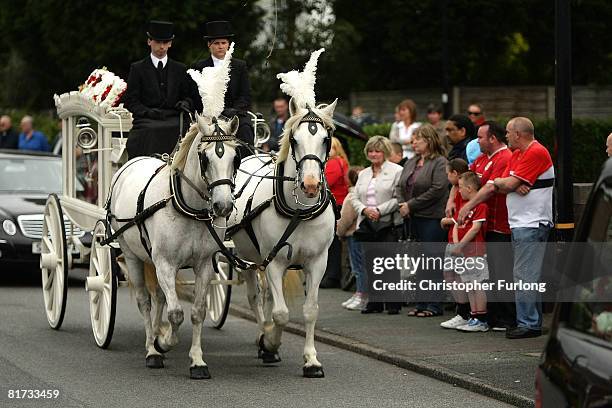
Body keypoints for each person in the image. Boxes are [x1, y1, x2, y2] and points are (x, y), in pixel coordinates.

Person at [492, 117, 554, 339]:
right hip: (521, 222)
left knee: (524, 275)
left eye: (508, 132)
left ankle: (528, 323)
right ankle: (532, 321)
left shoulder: (535, 152)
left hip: (531, 222)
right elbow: (503, 183)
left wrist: (508, 184)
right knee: (526, 274)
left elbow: (504, 184)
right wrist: (507, 184)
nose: (506, 136)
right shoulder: (517, 154)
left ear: (518, 134)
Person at [455, 121, 515, 331]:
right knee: (486, 275)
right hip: (484, 226)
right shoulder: (481, 159)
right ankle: (489, 316)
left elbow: (489, 188)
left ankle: (507, 319)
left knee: (501, 273)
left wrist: (469, 205)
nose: (476, 141)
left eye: (480, 137)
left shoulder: (505, 157)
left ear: (493, 138)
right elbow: (464, 181)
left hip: (500, 225)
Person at [396, 124, 449, 317]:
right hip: (413, 218)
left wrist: (411, 205)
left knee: (432, 262)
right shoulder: (411, 161)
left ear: (429, 140)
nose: (413, 142)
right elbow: (400, 185)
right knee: (418, 262)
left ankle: (434, 305)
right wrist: (403, 205)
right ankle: (421, 302)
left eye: (417, 139)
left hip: (432, 218)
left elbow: (437, 189)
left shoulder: (440, 162)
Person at [124, 20, 196, 158]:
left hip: (174, 117)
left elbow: (189, 96)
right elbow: (131, 100)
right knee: (150, 131)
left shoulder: (180, 69)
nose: (161, 46)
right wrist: (147, 112)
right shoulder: (137, 68)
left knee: (186, 130)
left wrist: (185, 103)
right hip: (147, 119)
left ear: (170, 43)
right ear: (149, 41)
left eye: (165, 42)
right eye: (158, 42)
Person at [350, 136, 403, 314]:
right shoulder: (363, 173)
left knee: (389, 264)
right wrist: (365, 210)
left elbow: (398, 198)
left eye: (378, 151)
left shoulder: (397, 170)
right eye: (371, 151)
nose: (374, 154)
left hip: (388, 222)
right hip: (367, 223)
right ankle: (375, 302)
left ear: (385, 152)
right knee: (371, 263)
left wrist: (379, 210)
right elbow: (354, 197)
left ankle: (393, 303)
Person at [192, 20, 253, 154]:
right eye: (216, 43)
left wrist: (234, 111)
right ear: (209, 45)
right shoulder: (200, 67)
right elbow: (195, 96)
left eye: (223, 43)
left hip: (234, 114)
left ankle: (246, 161)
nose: (220, 47)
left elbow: (245, 95)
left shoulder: (239, 66)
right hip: (208, 116)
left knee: (245, 126)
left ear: (228, 45)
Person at [441, 171, 489, 332]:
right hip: (461, 252)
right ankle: (472, 315)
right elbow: (456, 225)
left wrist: (460, 245)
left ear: (469, 188)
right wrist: (456, 244)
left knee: (476, 284)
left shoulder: (480, 206)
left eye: (460, 187)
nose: (458, 191)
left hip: (474, 252)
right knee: (468, 284)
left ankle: (480, 319)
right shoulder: (463, 207)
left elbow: (475, 229)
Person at [439, 158, 471, 329]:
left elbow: (465, 216)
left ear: (455, 174)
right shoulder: (456, 188)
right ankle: (462, 311)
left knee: (459, 276)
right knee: (451, 275)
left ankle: (464, 312)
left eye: (448, 174)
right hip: (453, 238)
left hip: (459, 240)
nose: (447, 178)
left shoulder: (465, 191)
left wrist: (448, 220)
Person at [321, 137, 350, 288]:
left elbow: (325, 182)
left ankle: (332, 275)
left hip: (336, 205)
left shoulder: (335, 162)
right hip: (335, 204)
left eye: (331, 147)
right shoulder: (339, 162)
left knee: (332, 243)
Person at [338, 166, 367, 310]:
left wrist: (339, 232)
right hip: (363, 233)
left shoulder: (351, 196)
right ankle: (359, 293)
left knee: (358, 267)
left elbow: (345, 219)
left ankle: (361, 293)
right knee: (361, 266)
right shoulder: (365, 194)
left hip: (353, 234)